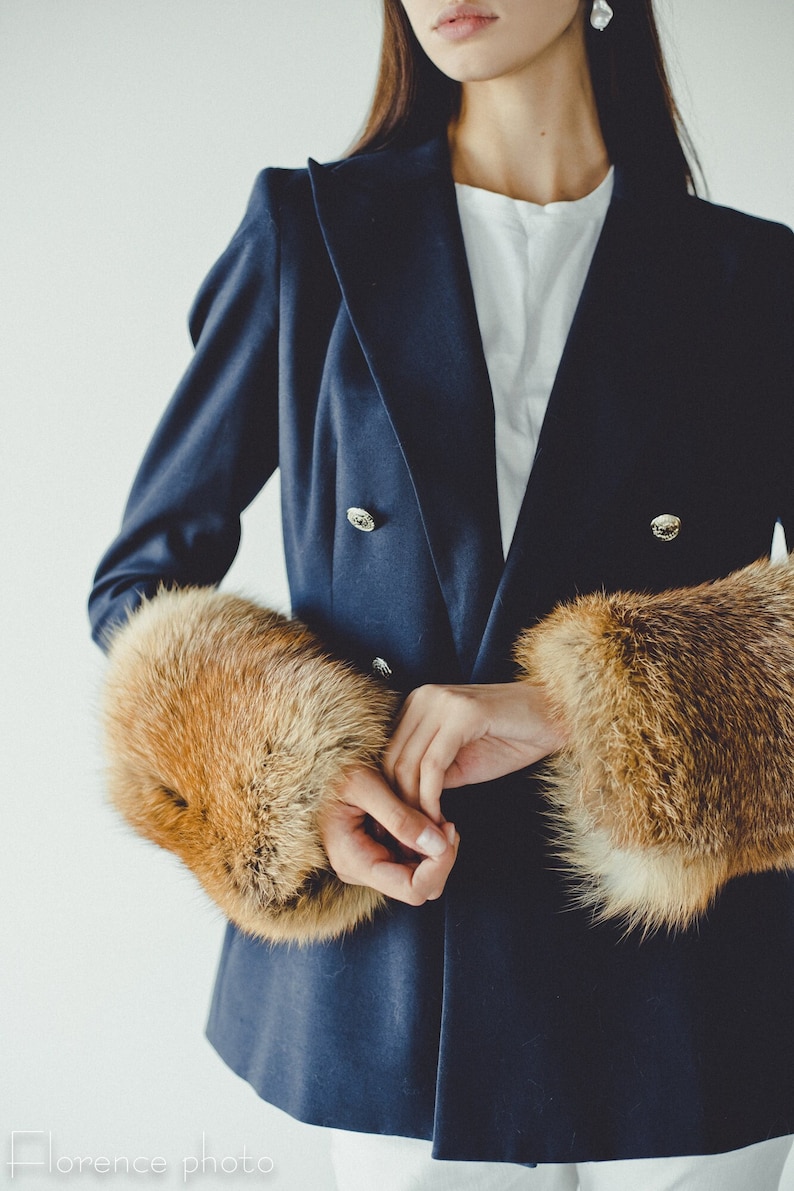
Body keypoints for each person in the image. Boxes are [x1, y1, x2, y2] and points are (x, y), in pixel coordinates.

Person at [89, 1, 794, 1187]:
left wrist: (577, 705)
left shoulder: (752, 276)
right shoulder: (305, 234)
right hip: (390, 968)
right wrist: (298, 780)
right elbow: (141, 580)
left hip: (680, 982)